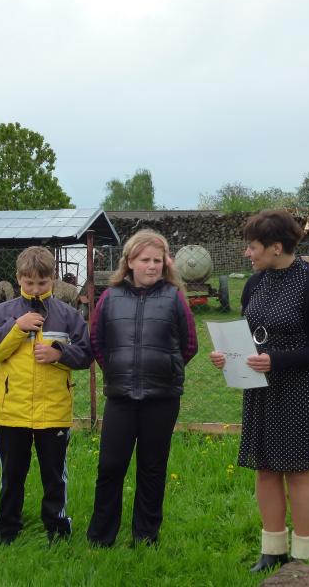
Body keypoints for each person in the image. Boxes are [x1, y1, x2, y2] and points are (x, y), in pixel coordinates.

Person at [209, 210, 309, 572]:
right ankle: (272, 551)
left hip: (300, 391)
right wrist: (229, 356)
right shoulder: (255, 283)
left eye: (252, 247)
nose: (247, 253)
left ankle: (303, 558)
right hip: (260, 389)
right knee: (265, 468)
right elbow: (250, 335)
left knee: (298, 470)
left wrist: (277, 360)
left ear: (276, 247)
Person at [86, 230, 198, 547]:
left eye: (157, 260)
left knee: (152, 468)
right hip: (121, 398)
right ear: (130, 262)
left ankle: (146, 536)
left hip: (162, 398)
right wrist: (118, 369)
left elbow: (189, 344)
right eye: (145, 260)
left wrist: (164, 369)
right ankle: (101, 536)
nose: (152, 266)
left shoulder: (174, 297)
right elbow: (96, 341)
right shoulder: (110, 298)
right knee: (110, 466)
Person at [0, 246, 93, 544]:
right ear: (18, 279)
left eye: (42, 283)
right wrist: (17, 328)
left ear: (53, 278)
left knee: (54, 477)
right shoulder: (2, 313)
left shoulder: (68, 315)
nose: (35, 289)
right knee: (12, 475)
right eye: (29, 282)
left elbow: (86, 355)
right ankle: (7, 528)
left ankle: (57, 528)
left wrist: (59, 354)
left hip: (53, 412)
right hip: (12, 412)